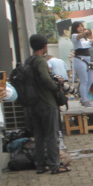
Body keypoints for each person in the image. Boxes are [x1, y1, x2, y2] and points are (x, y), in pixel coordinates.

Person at [29, 34, 70, 174]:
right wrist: (56, 86)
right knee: (52, 135)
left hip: (33, 103)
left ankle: (40, 165)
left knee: (39, 135)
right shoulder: (41, 61)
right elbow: (46, 79)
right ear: (45, 46)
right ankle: (54, 165)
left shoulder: (28, 60)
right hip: (47, 102)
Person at [71, 21, 93, 107]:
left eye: (81, 26)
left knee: (90, 80)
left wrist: (91, 39)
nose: (80, 28)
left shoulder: (85, 38)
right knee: (84, 80)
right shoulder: (74, 36)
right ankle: (84, 100)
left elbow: (92, 45)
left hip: (88, 59)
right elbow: (78, 36)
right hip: (79, 59)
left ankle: (84, 97)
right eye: (78, 27)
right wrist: (85, 32)